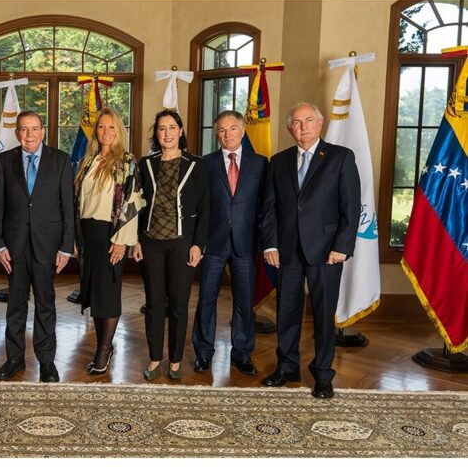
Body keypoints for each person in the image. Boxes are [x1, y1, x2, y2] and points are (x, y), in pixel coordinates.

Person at [260, 102, 360, 399]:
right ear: (290, 128)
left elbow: (351, 207)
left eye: (308, 121)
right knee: (286, 312)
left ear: (320, 124)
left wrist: (342, 246)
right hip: (287, 251)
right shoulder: (278, 162)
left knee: (323, 314)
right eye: (296, 122)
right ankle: (287, 367)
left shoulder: (340, 157)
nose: (302, 127)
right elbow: (269, 209)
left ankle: (323, 375)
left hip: (327, 252)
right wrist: (270, 244)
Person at [0, 110, 75, 383]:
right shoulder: (5, 160)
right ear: (17, 133)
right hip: (14, 247)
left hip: (47, 246)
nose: (29, 135)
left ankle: (47, 361)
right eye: (24, 129)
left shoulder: (60, 160)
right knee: (15, 305)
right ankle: (14, 359)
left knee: (45, 304)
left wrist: (65, 248)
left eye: (34, 128)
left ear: (42, 131)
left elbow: (68, 207)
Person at [132, 109, 209, 381]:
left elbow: (205, 209)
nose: (167, 133)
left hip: (182, 244)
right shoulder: (146, 163)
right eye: (162, 128)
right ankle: (155, 359)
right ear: (157, 133)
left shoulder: (196, 165)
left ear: (180, 131)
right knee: (154, 304)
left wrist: (199, 244)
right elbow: (137, 205)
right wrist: (137, 240)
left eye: (172, 127)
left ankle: (175, 360)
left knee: (178, 305)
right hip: (151, 243)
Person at [192, 111, 267, 376]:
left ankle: (242, 353)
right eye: (222, 130)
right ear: (217, 134)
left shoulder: (260, 164)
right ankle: (203, 353)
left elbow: (265, 206)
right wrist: (198, 242)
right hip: (213, 243)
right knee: (206, 299)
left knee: (244, 301)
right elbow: (200, 207)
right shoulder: (206, 163)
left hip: (246, 242)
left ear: (243, 130)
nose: (228, 134)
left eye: (233, 128)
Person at [73, 107, 144, 375]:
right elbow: (77, 201)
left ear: (119, 131)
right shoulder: (87, 161)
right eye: (101, 126)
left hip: (112, 235)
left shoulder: (127, 162)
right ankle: (104, 344)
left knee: (108, 293)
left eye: (111, 127)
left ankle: (104, 348)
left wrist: (122, 241)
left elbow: (132, 202)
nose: (105, 132)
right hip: (88, 234)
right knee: (94, 291)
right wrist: (75, 237)